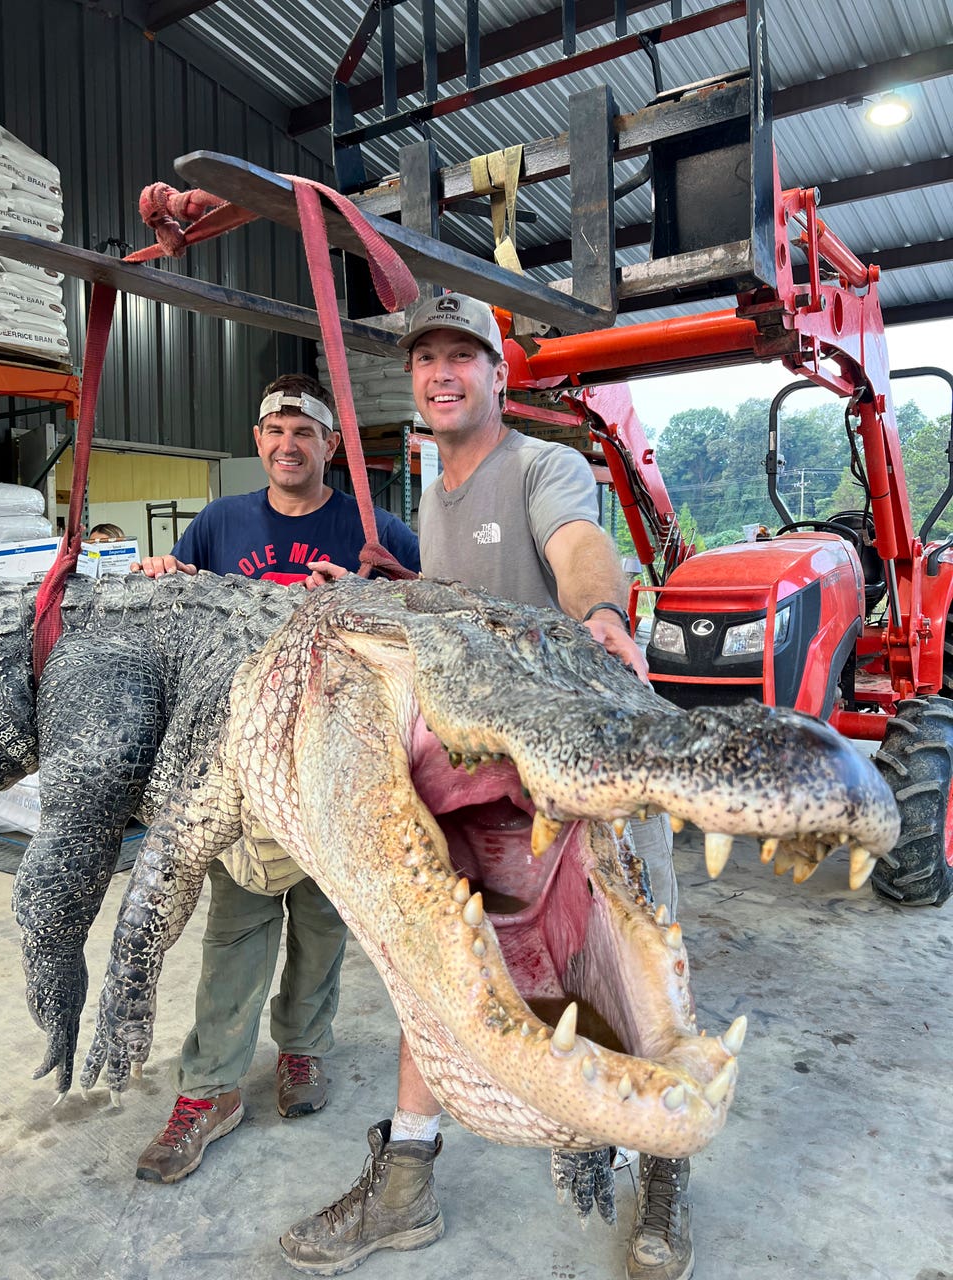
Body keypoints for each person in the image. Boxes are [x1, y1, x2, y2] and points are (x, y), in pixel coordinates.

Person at [280, 298, 691, 1280]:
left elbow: (576, 543)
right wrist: (373, 594)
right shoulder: (432, 483)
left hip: (580, 767)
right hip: (486, 781)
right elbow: (454, 607)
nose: (441, 371)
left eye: (463, 354)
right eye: (426, 357)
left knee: (626, 982)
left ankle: (666, 1164)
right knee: (444, 964)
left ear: (500, 375)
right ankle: (406, 1179)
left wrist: (598, 611)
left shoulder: (544, 464)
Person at [131, 372, 420, 1185]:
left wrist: (373, 593)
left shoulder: (373, 528)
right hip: (246, 764)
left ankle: (301, 1051)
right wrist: (162, 579)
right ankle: (210, 1088)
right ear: (258, 442)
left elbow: (431, 610)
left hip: (337, 764)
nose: (288, 446)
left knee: (324, 925)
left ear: (331, 444)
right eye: (274, 432)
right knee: (235, 929)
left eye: (305, 433)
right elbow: (183, 609)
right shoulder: (221, 523)